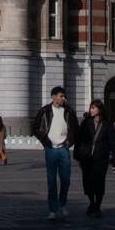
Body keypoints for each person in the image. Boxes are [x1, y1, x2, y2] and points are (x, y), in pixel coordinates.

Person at [32, 86, 80, 219]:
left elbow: (76, 129)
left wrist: (69, 143)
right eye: (61, 96)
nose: (63, 98)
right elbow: (35, 128)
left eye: (64, 96)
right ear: (53, 97)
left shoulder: (69, 111)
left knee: (66, 179)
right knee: (51, 180)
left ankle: (63, 203)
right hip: (50, 149)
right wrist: (45, 141)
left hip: (64, 149)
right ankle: (53, 209)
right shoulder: (44, 111)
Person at [76, 100, 115, 216]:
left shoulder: (107, 124)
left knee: (99, 183)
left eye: (94, 108)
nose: (91, 110)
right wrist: (77, 155)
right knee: (88, 182)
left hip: (101, 158)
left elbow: (113, 142)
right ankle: (92, 202)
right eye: (91, 108)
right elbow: (79, 139)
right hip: (87, 158)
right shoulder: (85, 123)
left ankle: (97, 206)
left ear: (100, 110)